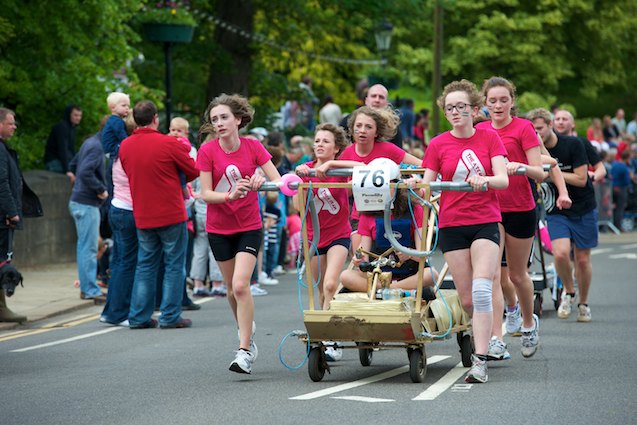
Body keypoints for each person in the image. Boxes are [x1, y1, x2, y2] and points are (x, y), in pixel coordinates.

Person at [408, 80, 509, 383]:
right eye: (450, 108)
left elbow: (503, 179)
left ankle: (480, 360)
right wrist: (417, 185)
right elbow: (428, 184)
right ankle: (481, 336)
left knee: (481, 289)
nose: (455, 112)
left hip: (484, 220)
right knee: (467, 300)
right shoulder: (438, 144)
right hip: (452, 224)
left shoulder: (489, 138)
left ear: (474, 110)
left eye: (461, 107)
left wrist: (485, 180)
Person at [196, 94, 281, 374]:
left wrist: (261, 180)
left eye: (224, 118)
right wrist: (229, 196)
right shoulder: (207, 152)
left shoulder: (253, 146)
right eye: (214, 119)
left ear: (238, 120)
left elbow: (278, 181)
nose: (218, 123)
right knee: (231, 289)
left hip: (248, 225)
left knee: (242, 286)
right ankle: (247, 331)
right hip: (219, 228)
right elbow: (206, 193)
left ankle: (245, 350)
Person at [476, 77, 546, 359]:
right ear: (484, 103)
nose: (498, 105)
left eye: (503, 100)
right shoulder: (480, 130)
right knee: (492, 276)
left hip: (520, 207)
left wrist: (521, 167)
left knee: (517, 275)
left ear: (512, 101)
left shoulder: (524, 128)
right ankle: (496, 338)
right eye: (492, 100)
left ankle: (529, 323)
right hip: (490, 209)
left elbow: (540, 173)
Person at [119, 100, 199, 329]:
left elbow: (129, 171)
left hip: (143, 213)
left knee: (145, 265)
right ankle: (170, 316)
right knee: (174, 264)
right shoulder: (168, 143)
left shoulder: (125, 146)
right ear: (155, 118)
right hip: (171, 213)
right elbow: (193, 170)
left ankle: (139, 316)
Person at [528, 108, 598, 323]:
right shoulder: (530, 150)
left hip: (583, 207)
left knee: (583, 260)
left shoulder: (573, 144)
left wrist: (551, 173)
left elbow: (581, 179)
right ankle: (568, 291)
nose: (536, 134)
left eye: (539, 129)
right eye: (533, 130)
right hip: (555, 210)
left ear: (550, 125)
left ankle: (583, 303)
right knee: (560, 254)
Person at [324, 106, 422, 251]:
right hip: (361, 215)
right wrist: (354, 184)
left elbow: (422, 165)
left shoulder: (388, 149)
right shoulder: (346, 154)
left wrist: (414, 178)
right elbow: (342, 192)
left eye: (368, 127)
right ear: (351, 129)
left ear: (377, 132)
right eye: (358, 126)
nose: (362, 130)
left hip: (390, 214)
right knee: (361, 261)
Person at [339, 187, 438, 294]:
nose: (382, 191)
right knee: (345, 276)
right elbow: (364, 258)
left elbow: (422, 255)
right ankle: (395, 290)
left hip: (409, 273)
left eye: (387, 186)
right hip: (378, 274)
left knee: (431, 274)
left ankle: (386, 290)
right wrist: (359, 260)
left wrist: (409, 254)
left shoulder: (414, 209)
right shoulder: (367, 214)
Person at [99, 116, 137, 326]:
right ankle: (119, 313)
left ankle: (110, 311)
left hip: (117, 209)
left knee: (119, 262)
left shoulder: (116, 152)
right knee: (126, 264)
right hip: (127, 210)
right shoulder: (127, 151)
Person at [68, 132, 109, 304]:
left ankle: (87, 288)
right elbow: (85, 171)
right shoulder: (96, 146)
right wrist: (100, 189)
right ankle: (90, 289)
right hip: (86, 204)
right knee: (89, 249)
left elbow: (73, 164)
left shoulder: (89, 143)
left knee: (84, 248)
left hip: (80, 202)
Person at [0, 108, 29, 322]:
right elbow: (1, 183)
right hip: (3, 217)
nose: (14, 126)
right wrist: (12, 212)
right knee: (3, 262)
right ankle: (2, 310)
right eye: (10, 123)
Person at [340, 84, 405, 148]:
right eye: (373, 96)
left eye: (381, 97)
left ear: (386, 103)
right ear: (366, 100)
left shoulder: (392, 126)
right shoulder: (350, 119)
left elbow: (399, 153)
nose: (377, 100)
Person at [44, 104, 82, 180]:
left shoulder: (72, 129)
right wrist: (67, 170)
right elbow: (62, 149)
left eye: (80, 116)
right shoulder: (61, 127)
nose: (78, 118)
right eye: (75, 115)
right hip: (53, 161)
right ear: (69, 115)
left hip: (63, 161)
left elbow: (71, 150)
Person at [611, 149, 635, 231]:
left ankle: (613, 225)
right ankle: (618, 226)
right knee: (620, 208)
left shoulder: (614, 164)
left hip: (613, 188)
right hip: (621, 189)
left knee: (614, 208)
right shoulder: (624, 167)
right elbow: (627, 181)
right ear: (627, 158)